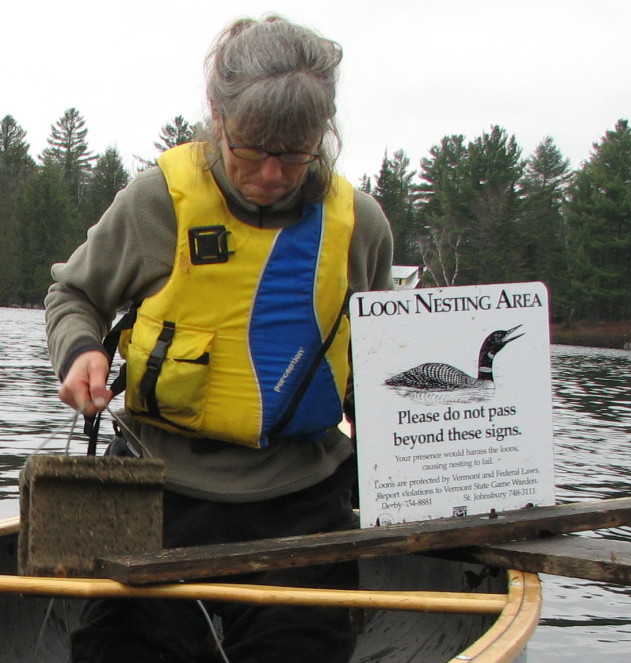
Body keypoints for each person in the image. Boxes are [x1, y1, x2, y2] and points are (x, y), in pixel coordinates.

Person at [44, 14, 393, 663]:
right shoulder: (160, 204)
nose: (269, 171)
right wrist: (82, 350)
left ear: (324, 133)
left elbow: (383, 368)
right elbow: (74, 293)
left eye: (293, 152)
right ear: (217, 116)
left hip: (302, 506)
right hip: (155, 494)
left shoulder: (360, 228)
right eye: (250, 147)